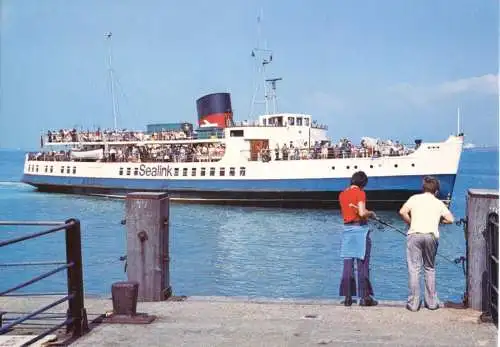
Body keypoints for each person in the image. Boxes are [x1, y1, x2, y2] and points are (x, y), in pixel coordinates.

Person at [399, 176, 454, 312]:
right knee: (429, 268)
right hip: (431, 236)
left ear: (423, 188)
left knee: (414, 269)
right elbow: (451, 219)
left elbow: (402, 212)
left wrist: (410, 222)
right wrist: (439, 222)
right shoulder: (438, 203)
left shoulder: (414, 198)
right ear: (436, 191)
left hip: (415, 234)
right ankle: (431, 302)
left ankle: (414, 303)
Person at [338, 171, 378, 306]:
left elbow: (348, 211)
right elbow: (361, 212)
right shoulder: (360, 193)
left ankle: (348, 297)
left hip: (347, 230)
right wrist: (371, 213)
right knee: (362, 264)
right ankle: (365, 297)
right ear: (363, 184)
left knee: (348, 264)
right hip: (360, 230)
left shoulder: (342, 194)